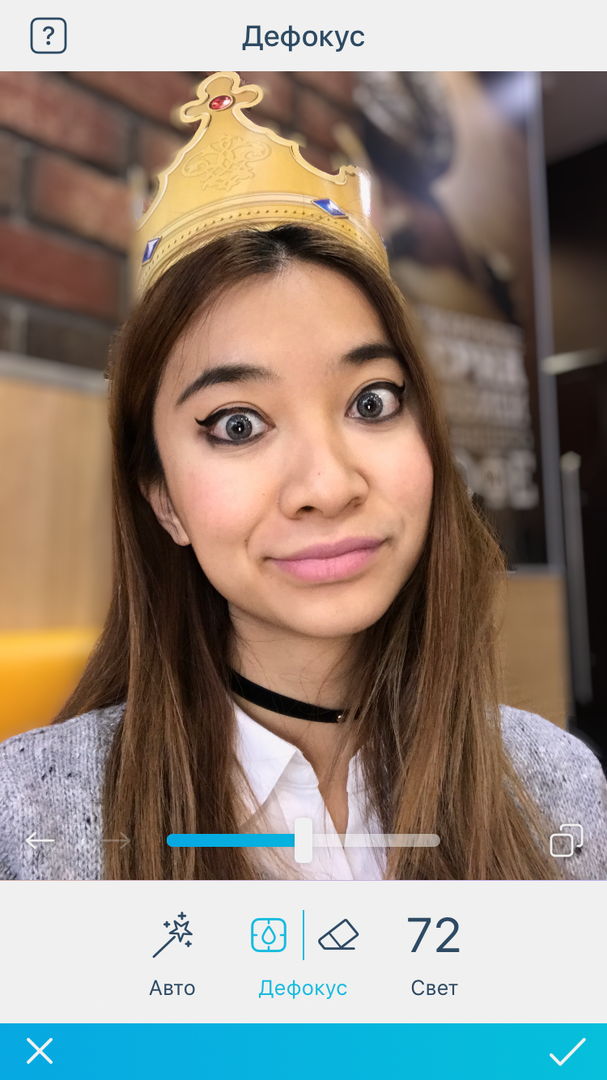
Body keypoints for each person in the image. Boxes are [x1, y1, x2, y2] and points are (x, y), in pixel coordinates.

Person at [1, 72, 605, 882]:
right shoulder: (32, 818)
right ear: (163, 500)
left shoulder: (556, 783)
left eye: (371, 401)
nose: (326, 485)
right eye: (237, 424)